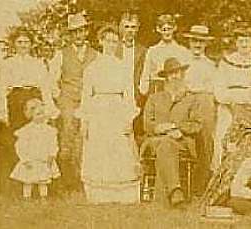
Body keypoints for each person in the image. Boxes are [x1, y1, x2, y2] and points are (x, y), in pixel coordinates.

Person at [0, 29, 59, 197]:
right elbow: (1, 88)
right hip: (15, 101)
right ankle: (10, 185)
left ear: (31, 44)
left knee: (37, 140)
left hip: (33, 101)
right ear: (14, 44)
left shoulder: (38, 63)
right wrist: (2, 110)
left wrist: (47, 109)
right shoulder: (7, 64)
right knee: (12, 140)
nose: (23, 46)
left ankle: (39, 183)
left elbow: (45, 87)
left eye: (26, 42)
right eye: (20, 42)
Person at [75, 25, 140, 204]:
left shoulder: (124, 67)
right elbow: (86, 96)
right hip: (98, 111)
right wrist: (85, 122)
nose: (111, 45)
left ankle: (121, 194)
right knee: (99, 148)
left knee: (118, 148)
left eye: (114, 41)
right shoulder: (92, 68)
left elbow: (129, 95)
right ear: (101, 41)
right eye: (108, 41)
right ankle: (99, 194)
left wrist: (129, 119)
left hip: (118, 109)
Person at [49, 13, 99, 193]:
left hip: (89, 103)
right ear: (70, 35)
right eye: (75, 32)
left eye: (82, 31)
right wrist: (60, 100)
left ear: (86, 32)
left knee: (88, 139)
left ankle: (85, 179)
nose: (79, 35)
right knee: (66, 139)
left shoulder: (96, 54)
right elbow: (52, 80)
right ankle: (65, 181)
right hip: (68, 102)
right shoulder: (61, 54)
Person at [141, 57, 200, 207]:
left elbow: (197, 125)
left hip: (181, 142)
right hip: (156, 141)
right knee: (165, 144)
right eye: (171, 73)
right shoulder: (154, 98)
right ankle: (175, 191)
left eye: (178, 73)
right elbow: (146, 123)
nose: (174, 76)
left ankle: (172, 193)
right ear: (165, 77)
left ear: (182, 75)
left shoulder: (191, 99)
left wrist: (178, 128)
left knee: (167, 144)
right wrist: (158, 128)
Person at [213, 25, 251, 171]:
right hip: (229, 107)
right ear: (235, 43)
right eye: (241, 41)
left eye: (247, 41)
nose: (244, 45)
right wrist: (231, 102)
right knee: (225, 134)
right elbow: (219, 89)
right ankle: (223, 172)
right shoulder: (226, 62)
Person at [182, 25, 217, 196]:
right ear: (189, 41)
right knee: (183, 139)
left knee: (205, 142)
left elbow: (213, 88)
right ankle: (182, 184)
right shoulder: (181, 60)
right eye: (194, 41)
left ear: (206, 44)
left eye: (201, 42)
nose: (197, 44)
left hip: (204, 102)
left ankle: (200, 186)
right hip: (185, 101)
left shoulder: (210, 65)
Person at [10, 98, 60, 200]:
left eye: (42, 113)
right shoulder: (26, 130)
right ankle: (27, 197)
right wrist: (24, 159)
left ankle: (43, 197)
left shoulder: (49, 130)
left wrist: (52, 155)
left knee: (43, 180)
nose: (40, 116)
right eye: (37, 114)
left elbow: (53, 144)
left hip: (44, 159)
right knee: (28, 180)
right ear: (31, 115)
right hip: (31, 160)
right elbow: (20, 146)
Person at [139, 14, 190, 96]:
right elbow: (146, 73)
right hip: (157, 89)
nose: (167, 32)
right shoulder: (152, 51)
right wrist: (144, 91)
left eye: (169, 29)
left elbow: (186, 75)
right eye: (164, 29)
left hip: (177, 89)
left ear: (174, 28)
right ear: (158, 29)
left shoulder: (182, 51)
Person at [117, 11, 149, 144]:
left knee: (135, 134)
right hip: (117, 95)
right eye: (127, 27)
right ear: (121, 28)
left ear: (138, 28)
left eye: (133, 27)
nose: (130, 31)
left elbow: (145, 76)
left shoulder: (143, 51)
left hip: (135, 96)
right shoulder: (113, 48)